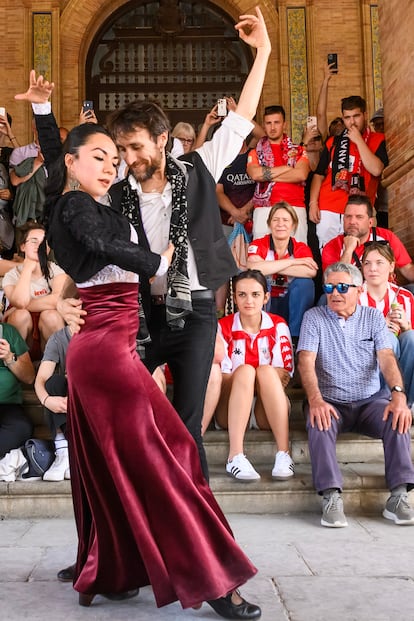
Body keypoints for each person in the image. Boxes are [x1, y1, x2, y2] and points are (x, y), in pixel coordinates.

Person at [17, 8, 271, 618]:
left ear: (164, 143)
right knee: (107, 436)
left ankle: (212, 573)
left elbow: (241, 117)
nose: (125, 158)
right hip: (137, 322)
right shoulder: (115, 193)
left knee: (181, 440)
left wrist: (261, 51)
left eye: (134, 148)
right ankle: (108, 557)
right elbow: (65, 181)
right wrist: (81, 305)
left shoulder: (199, 169)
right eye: (118, 149)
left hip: (193, 317)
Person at [297, 262, 414, 528]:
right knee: (319, 420)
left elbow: (386, 358)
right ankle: (331, 495)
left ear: (359, 290)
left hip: (369, 401)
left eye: (342, 287)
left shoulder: (372, 317)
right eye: (329, 287)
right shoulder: (314, 317)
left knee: (397, 417)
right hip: (329, 400)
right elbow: (305, 361)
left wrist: (398, 395)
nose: (335, 293)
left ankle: (398, 496)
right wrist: (315, 400)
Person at [213, 269, 294, 481]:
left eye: (256, 294)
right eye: (242, 294)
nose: (249, 300)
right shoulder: (223, 326)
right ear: (235, 297)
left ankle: (283, 454)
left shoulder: (278, 325)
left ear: (266, 297)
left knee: (263, 372)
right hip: (229, 409)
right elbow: (222, 380)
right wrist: (247, 378)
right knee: (249, 371)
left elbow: (283, 376)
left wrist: (248, 379)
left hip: (265, 410)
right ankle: (235, 456)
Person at [309, 95, 388, 249]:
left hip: (360, 209)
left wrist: (359, 141)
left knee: (360, 254)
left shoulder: (378, 139)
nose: (352, 122)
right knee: (329, 256)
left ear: (365, 115)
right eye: (347, 117)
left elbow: (376, 169)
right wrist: (313, 203)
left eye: (356, 116)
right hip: (328, 208)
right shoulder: (333, 142)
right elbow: (319, 174)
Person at [247, 201, 318, 347]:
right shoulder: (259, 244)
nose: (280, 224)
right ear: (269, 224)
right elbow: (252, 267)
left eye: (285, 220)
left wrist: (268, 266)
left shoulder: (300, 247)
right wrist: (292, 262)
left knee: (305, 284)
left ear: (293, 225)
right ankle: (261, 333)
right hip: (266, 301)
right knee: (258, 281)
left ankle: (295, 340)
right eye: (276, 220)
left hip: (290, 301)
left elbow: (311, 271)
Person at [359, 242, 414, 409]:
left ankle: (408, 402)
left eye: (379, 263)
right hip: (362, 358)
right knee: (388, 338)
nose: (372, 268)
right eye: (367, 263)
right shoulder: (355, 296)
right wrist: (380, 327)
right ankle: (385, 400)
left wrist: (406, 326)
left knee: (412, 337)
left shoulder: (405, 296)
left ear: (391, 266)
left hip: (401, 351)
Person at [246, 104, 310, 243]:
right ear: (264, 125)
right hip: (264, 209)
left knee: (296, 257)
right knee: (262, 259)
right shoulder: (255, 151)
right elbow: (255, 175)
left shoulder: (297, 150)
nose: (272, 127)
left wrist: (267, 175)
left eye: (277, 122)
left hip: (294, 207)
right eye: (269, 123)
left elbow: (301, 175)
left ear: (284, 124)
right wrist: (287, 168)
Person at [2, 222, 66, 360]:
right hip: (23, 339)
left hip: (47, 336)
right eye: (33, 241)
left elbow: (57, 300)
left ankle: (53, 368)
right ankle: (18, 366)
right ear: (23, 246)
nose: (39, 246)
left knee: (51, 315)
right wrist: (27, 270)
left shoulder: (56, 270)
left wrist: (19, 307)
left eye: (44, 242)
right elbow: (20, 302)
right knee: (20, 315)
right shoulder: (12, 275)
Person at [321, 195, 414, 285]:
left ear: (370, 222)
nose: (352, 222)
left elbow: (407, 269)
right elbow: (335, 284)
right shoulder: (332, 246)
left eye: (359, 217)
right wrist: (348, 250)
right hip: (352, 297)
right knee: (324, 300)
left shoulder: (386, 236)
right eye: (348, 216)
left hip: (386, 294)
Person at [34, 325, 72, 481]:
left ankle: (78, 453)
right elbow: (40, 380)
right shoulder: (59, 338)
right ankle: (63, 450)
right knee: (53, 383)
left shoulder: (102, 334)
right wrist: (47, 400)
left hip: (94, 398)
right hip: (68, 402)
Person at [0, 321, 34, 459]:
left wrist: (9, 358)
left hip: (8, 406)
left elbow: (29, 377)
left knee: (21, 427)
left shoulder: (9, 332)